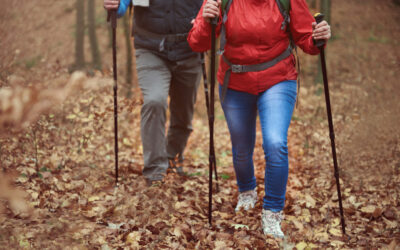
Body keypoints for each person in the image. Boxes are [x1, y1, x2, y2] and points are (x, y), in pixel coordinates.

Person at [188, 0, 331, 238]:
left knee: (275, 143)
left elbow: (307, 39)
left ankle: (273, 211)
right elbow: (198, 43)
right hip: (235, 81)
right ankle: (247, 191)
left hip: (278, 78)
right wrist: (206, 19)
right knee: (241, 147)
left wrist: (318, 37)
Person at [103, 0, 204, 186]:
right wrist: (117, 6)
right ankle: (155, 172)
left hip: (190, 50)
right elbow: (123, 4)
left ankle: (172, 158)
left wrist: (213, 19)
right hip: (151, 48)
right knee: (154, 101)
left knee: (183, 115)